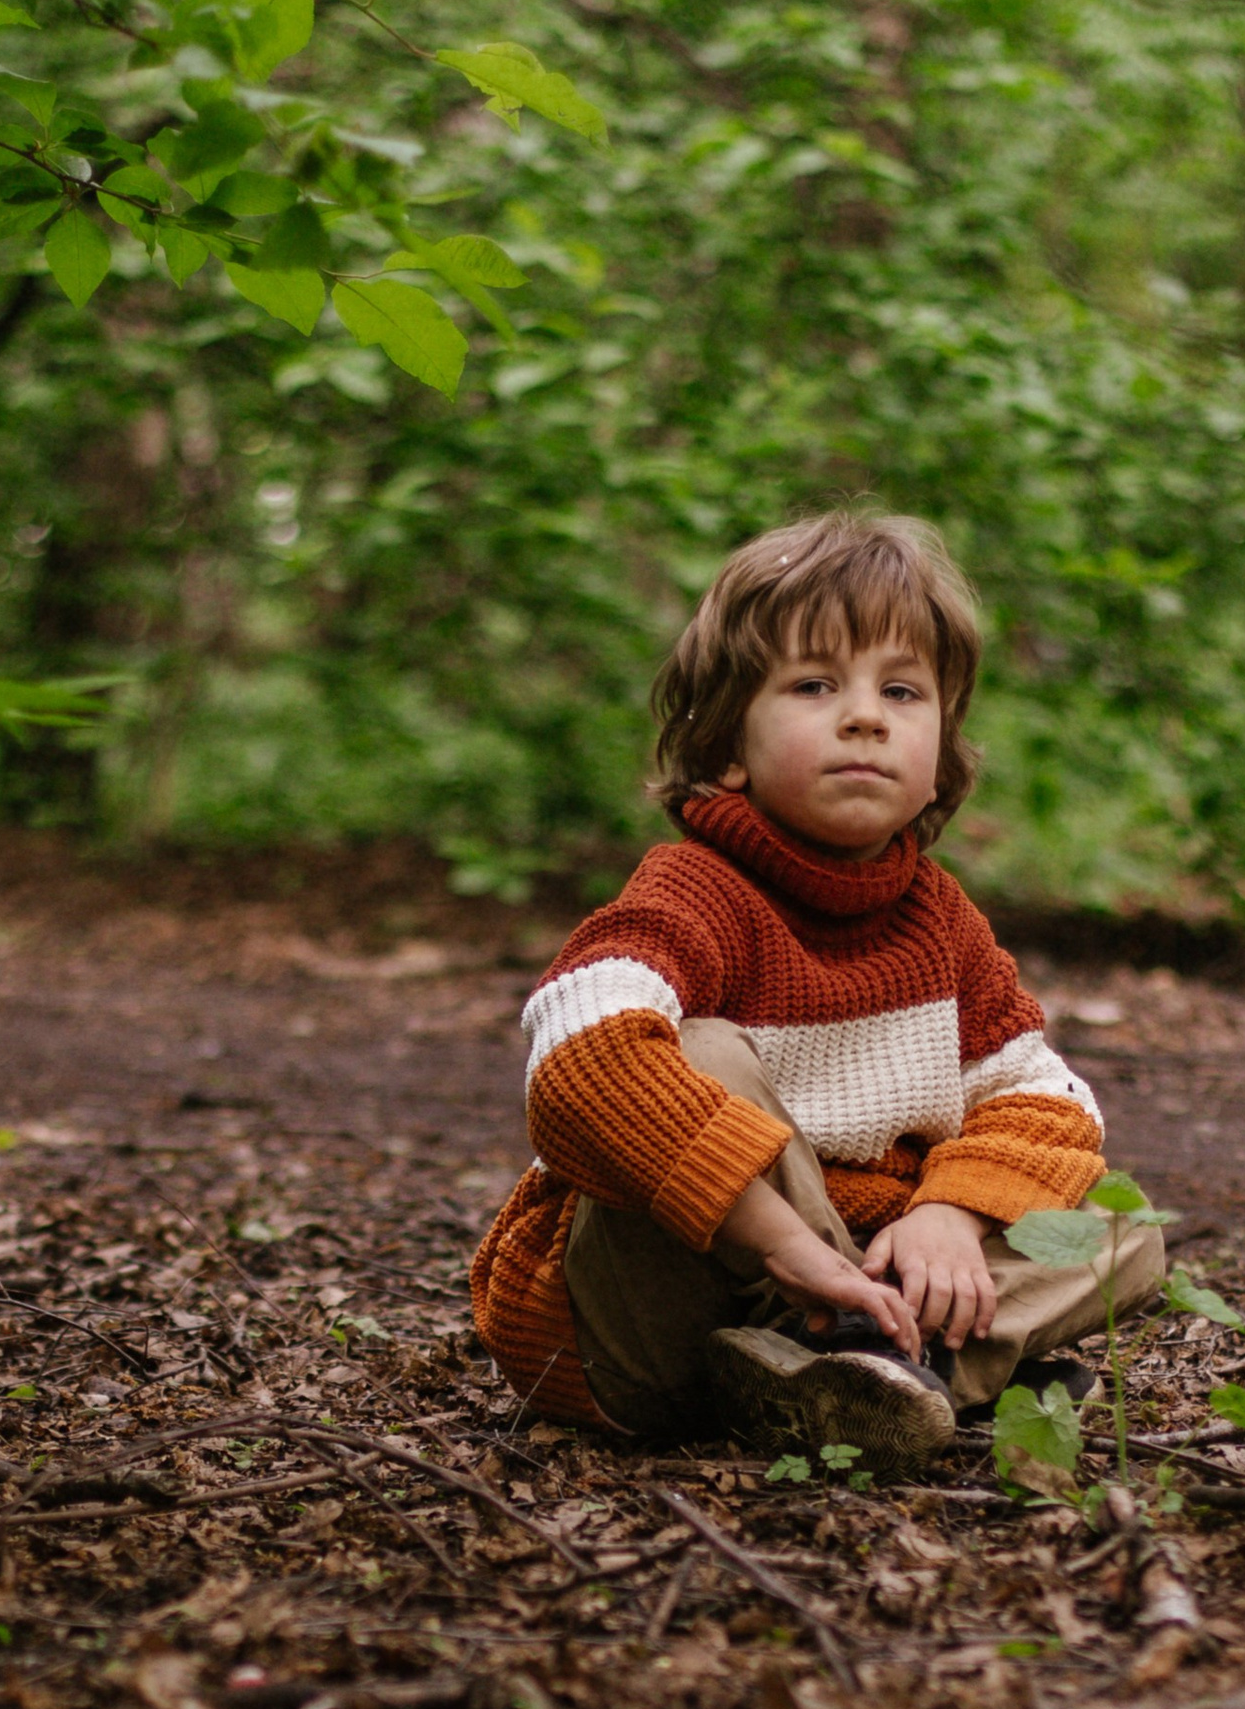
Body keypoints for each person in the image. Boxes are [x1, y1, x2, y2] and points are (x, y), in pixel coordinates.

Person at [470, 509, 1166, 1476]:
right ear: (727, 748)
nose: (866, 715)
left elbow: (1048, 1104)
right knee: (698, 1048)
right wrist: (786, 1246)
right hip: (644, 1324)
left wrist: (950, 1214)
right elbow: (578, 1065)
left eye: (902, 691)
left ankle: (853, 1382)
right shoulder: (693, 891)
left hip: (853, 1294)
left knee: (1119, 1226)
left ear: (940, 753)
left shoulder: (942, 920)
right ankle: (927, 1367)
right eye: (813, 685)